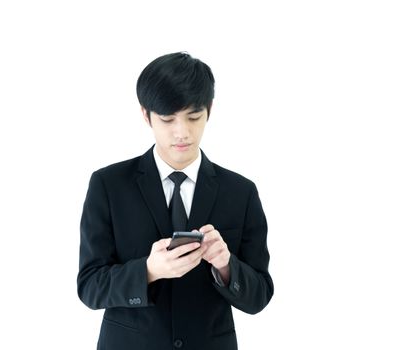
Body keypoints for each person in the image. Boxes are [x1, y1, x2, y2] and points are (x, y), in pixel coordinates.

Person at [77, 52, 273, 350]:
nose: (182, 132)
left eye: (194, 117)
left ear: (209, 110)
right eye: (168, 119)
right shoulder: (109, 185)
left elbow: (259, 295)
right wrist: (149, 270)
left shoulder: (241, 191)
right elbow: (89, 286)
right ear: (146, 115)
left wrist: (226, 266)